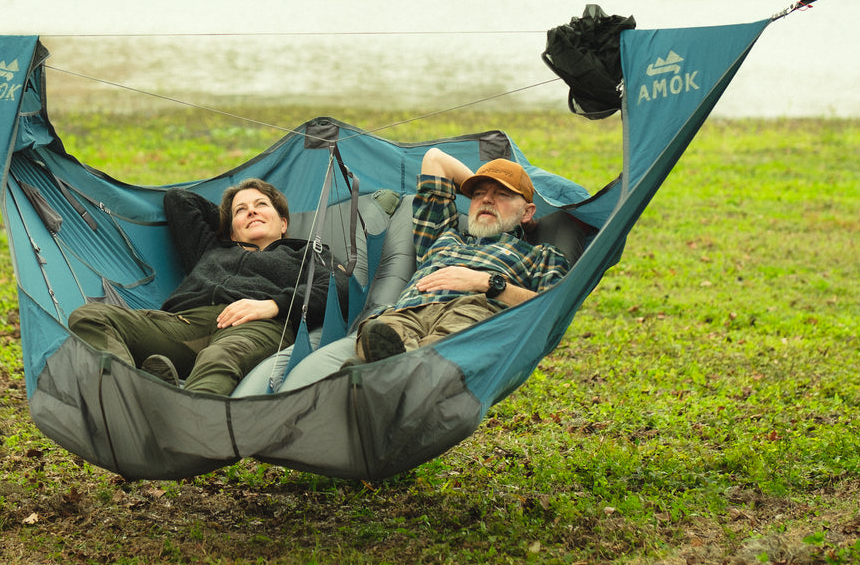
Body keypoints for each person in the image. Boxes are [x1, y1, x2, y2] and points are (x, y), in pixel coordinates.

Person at [67, 178, 332, 396]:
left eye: (261, 205)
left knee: (218, 358)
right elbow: (178, 199)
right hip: (187, 323)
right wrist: (229, 222)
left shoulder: (305, 254)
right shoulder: (209, 249)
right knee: (90, 316)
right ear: (230, 230)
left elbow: (336, 287)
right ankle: (130, 397)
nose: (251, 211)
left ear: (283, 223)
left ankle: (184, 424)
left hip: (255, 325)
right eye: (241, 210)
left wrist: (274, 305)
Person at [353, 147, 569, 362]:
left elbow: (552, 310)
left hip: (471, 313)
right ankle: (395, 366)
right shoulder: (443, 234)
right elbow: (435, 159)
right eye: (478, 194)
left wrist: (488, 283)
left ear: (528, 212)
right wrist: (489, 198)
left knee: (443, 349)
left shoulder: (540, 255)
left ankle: (390, 369)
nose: (486, 199)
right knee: (377, 332)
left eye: (502, 194)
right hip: (407, 312)